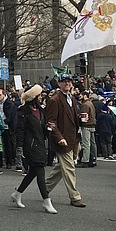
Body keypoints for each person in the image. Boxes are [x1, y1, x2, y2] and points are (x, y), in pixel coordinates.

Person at [11, 85, 56, 214]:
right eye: (39, 95)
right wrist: (19, 148)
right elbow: (20, 131)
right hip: (29, 146)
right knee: (40, 171)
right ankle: (46, 201)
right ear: (33, 97)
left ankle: (17, 193)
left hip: (40, 144)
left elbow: (42, 126)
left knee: (33, 172)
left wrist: (48, 127)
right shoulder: (23, 112)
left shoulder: (41, 111)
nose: (41, 97)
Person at [45, 73, 86, 208]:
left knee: (61, 168)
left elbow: (74, 117)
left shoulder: (72, 99)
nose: (67, 84)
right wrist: (59, 137)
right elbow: (50, 122)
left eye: (69, 81)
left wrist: (81, 120)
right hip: (63, 140)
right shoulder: (55, 100)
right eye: (64, 81)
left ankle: (44, 189)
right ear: (60, 84)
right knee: (69, 168)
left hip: (73, 138)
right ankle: (75, 197)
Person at [77, 93, 97, 166]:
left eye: (81, 95)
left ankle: (85, 160)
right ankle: (94, 158)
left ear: (85, 96)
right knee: (92, 143)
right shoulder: (90, 103)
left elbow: (83, 118)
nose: (79, 97)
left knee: (86, 143)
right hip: (92, 124)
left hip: (86, 125)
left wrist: (79, 118)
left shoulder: (84, 105)